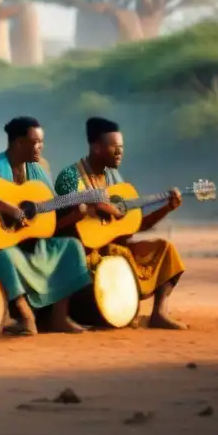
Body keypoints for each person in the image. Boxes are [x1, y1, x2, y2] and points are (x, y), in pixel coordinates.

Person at [0, 116, 93, 335]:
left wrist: (74, 210)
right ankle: (25, 315)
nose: (41, 146)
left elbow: (45, 206)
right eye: (36, 142)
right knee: (5, 256)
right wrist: (1, 206)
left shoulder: (39, 169)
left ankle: (60, 317)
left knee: (71, 247)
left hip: (30, 243)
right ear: (19, 143)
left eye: (42, 142)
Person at [54, 117, 187, 329]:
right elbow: (71, 199)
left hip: (115, 248)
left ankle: (159, 312)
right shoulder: (70, 175)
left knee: (165, 250)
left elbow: (134, 225)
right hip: (84, 255)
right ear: (96, 148)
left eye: (122, 147)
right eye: (114, 147)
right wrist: (102, 205)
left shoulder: (115, 177)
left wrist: (166, 208)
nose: (119, 152)